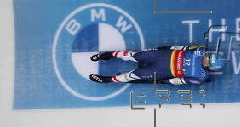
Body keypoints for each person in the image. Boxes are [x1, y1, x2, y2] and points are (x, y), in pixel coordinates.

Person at [88, 46, 224, 85]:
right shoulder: (200, 50)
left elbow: (180, 81)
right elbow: (183, 47)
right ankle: (108, 55)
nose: (206, 57)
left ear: (210, 66)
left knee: (131, 76)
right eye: (209, 55)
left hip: (161, 70)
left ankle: (108, 80)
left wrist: (167, 80)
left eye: (209, 60)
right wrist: (166, 48)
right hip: (163, 56)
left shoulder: (201, 76)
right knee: (132, 55)